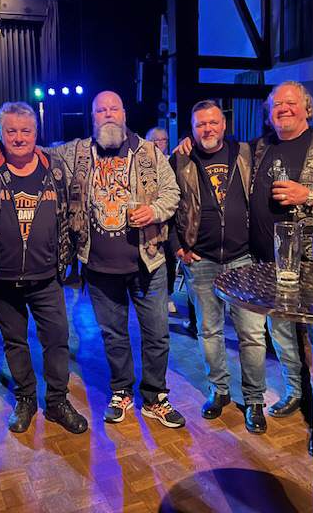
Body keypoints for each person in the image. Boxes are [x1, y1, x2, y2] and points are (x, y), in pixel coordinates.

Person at [50, 91, 185, 428]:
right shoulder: (76, 152)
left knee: (157, 335)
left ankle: (155, 396)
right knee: (114, 335)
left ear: (124, 114)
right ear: (92, 117)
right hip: (98, 267)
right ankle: (121, 391)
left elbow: (173, 193)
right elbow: (38, 154)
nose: (108, 114)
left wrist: (154, 211)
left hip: (148, 263)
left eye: (114, 108)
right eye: (101, 110)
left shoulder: (150, 152)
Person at [0, 102, 88, 435]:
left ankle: (57, 401)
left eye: (25, 131)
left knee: (57, 340)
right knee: (14, 342)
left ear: (36, 133)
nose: (19, 138)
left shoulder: (55, 167)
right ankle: (26, 399)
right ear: (0, 134)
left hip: (46, 276)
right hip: (1, 277)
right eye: (11, 131)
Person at [249, 80, 313, 454]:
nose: (284, 108)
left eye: (291, 102)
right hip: (271, 265)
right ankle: (296, 391)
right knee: (281, 335)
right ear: (269, 112)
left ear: (307, 108)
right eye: (277, 104)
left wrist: (306, 194)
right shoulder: (261, 146)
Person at [170, 100, 267, 434]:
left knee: (252, 334)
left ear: (224, 124)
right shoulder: (180, 159)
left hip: (243, 258)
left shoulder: (245, 153)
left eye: (213, 122)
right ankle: (220, 389)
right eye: (200, 124)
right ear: (192, 128)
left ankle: (254, 399)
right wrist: (177, 247)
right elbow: (169, 205)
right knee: (209, 331)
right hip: (202, 260)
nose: (207, 129)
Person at [146, 127, 178, 315]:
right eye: (155, 140)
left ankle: (169, 295)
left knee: (170, 260)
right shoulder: (142, 162)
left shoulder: (174, 160)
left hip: (170, 221)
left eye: (163, 140)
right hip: (149, 221)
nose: (159, 143)